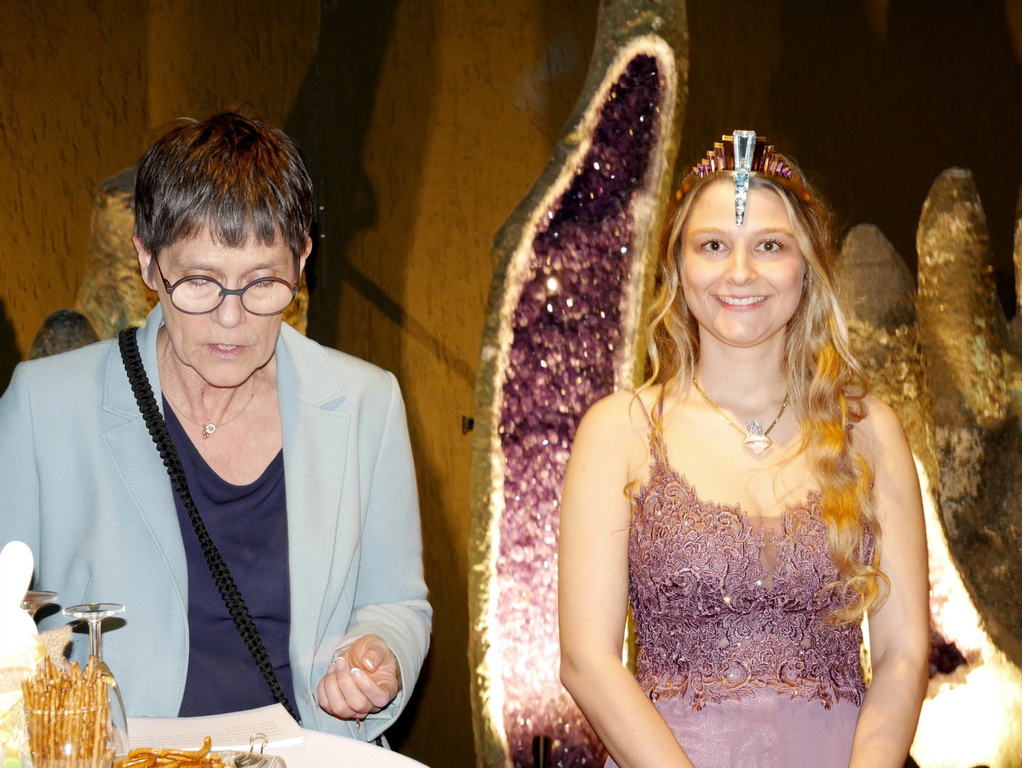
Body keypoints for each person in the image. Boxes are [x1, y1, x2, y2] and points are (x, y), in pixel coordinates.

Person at [0, 112, 431, 743]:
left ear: (303, 258)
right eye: (200, 282)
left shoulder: (367, 402)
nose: (231, 319)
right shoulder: (46, 407)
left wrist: (381, 654)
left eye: (263, 282)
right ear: (148, 261)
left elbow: (398, 603)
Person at [558, 131, 928, 767]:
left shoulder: (870, 431)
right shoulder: (620, 432)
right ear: (677, 265)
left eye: (769, 246)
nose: (739, 272)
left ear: (807, 264)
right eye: (713, 246)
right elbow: (587, 660)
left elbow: (903, 653)